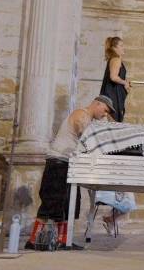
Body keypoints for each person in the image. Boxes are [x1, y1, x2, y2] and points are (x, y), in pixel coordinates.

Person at [25, 96, 115, 250]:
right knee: (52, 201)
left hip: (69, 164)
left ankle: (63, 240)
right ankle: (33, 241)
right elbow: (85, 136)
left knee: (69, 204)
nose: (105, 114)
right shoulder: (81, 114)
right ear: (97, 104)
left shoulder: (89, 119)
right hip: (58, 162)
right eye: (105, 110)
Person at [100, 36, 131, 122]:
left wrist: (125, 83)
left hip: (112, 96)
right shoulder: (116, 59)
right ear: (114, 48)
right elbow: (113, 77)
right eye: (121, 45)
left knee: (113, 124)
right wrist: (124, 82)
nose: (123, 48)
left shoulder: (114, 59)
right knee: (113, 124)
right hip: (112, 97)